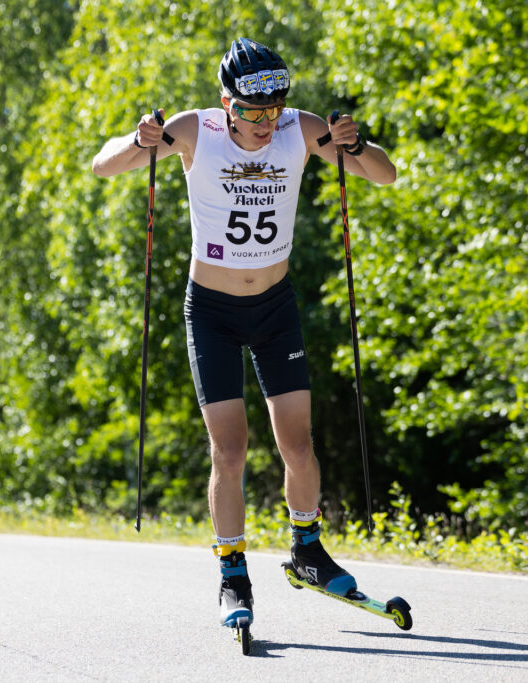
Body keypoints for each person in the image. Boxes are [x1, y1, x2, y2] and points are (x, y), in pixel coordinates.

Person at [92, 37, 396, 629]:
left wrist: (357, 144)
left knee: (298, 445)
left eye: (274, 110)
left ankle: (307, 550)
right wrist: (138, 140)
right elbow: (104, 164)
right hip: (212, 311)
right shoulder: (195, 130)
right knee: (229, 450)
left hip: (275, 308)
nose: (267, 124)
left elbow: (384, 175)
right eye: (255, 113)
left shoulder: (300, 129)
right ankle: (233, 572)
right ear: (228, 104)